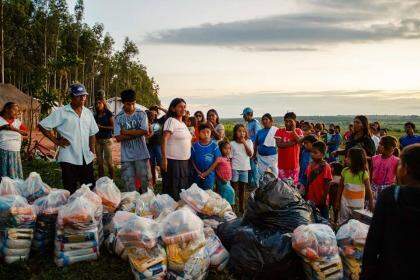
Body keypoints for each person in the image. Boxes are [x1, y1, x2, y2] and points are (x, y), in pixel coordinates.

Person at [361, 144, 420, 280]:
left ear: (405, 169)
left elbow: (373, 240)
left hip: (390, 269)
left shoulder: (391, 195)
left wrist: (366, 273)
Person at [39, 83, 98, 193]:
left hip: (86, 157)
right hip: (68, 157)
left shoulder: (88, 113)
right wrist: (55, 140)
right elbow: (42, 125)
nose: (82, 98)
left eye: (84, 95)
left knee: (90, 188)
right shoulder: (62, 112)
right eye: (79, 96)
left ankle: (87, 209)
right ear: (71, 97)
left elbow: (92, 133)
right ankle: (71, 209)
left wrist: (92, 151)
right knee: (70, 189)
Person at [114, 89, 151, 193]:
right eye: (128, 104)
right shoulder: (118, 117)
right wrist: (137, 132)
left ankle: (148, 204)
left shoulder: (141, 113)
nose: (131, 107)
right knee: (129, 183)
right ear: (123, 103)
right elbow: (118, 138)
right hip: (126, 157)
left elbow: (144, 131)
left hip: (141, 154)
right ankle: (132, 205)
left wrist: (125, 132)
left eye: (133, 104)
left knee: (145, 182)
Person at [161, 98, 192, 200]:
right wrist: (164, 158)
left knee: (181, 188)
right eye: (180, 106)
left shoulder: (182, 124)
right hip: (173, 162)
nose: (183, 109)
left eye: (184, 107)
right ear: (173, 109)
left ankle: (180, 212)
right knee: (173, 189)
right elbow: (164, 138)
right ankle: (170, 213)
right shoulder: (171, 121)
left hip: (184, 162)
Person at [335, 148, 374, 225]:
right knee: (343, 223)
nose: (346, 159)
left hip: (358, 206)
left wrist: (371, 203)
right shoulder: (345, 171)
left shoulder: (363, 174)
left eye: (348, 157)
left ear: (356, 160)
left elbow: (369, 190)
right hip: (345, 203)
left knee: (356, 225)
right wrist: (337, 200)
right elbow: (340, 187)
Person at [200, 140, 235, 205]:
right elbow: (212, 168)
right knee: (229, 193)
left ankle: (228, 209)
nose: (228, 150)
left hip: (228, 181)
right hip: (222, 181)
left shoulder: (227, 158)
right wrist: (204, 174)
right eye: (225, 148)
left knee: (226, 195)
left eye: (229, 148)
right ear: (220, 149)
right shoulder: (219, 159)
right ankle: (225, 209)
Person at [305, 141, 333, 219]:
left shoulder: (325, 166)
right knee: (313, 218)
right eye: (311, 152)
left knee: (324, 219)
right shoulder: (310, 165)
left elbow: (327, 183)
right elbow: (308, 180)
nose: (312, 154)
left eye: (315, 152)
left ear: (322, 154)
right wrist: (306, 193)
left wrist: (323, 199)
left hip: (321, 199)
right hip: (311, 197)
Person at [0, 102, 27, 179]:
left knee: (14, 174)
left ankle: (13, 188)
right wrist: (2, 128)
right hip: (2, 152)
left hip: (15, 152)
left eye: (18, 111)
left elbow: (25, 134)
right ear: (6, 109)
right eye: (14, 110)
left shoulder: (17, 122)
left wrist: (14, 129)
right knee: (3, 174)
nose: (17, 113)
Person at [190, 123, 221, 190]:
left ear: (211, 132)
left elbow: (217, 160)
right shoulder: (195, 146)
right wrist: (197, 171)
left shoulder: (214, 145)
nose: (206, 134)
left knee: (208, 193)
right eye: (203, 132)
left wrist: (207, 172)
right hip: (197, 174)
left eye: (208, 132)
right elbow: (192, 160)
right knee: (197, 192)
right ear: (199, 133)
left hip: (209, 175)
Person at [230, 124, 253, 212]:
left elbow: (250, 154)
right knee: (234, 189)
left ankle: (241, 207)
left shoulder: (249, 142)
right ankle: (233, 206)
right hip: (235, 168)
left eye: (243, 131)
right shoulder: (232, 144)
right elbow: (231, 157)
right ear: (235, 133)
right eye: (239, 131)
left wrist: (244, 143)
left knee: (242, 189)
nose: (242, 133)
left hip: (244, 169)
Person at [275, 112, 304, 184]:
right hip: (282, 166)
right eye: (286, 121)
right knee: (282, 188)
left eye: (290, 121)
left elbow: (300, 142)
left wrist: (293, 131)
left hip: (294, 165)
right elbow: (279, 145)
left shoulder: (298, 131)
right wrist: (294, 143)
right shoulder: (279, 131)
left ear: (295, 121)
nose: (288, 123)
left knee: (293, 188)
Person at [370, 136, 399, 202]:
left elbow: (398, 179)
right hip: (373, 187)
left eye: (381, 144)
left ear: (390, 147)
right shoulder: (374, 158)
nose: (378, 146)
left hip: (388, 189)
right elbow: (371, 174)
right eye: (379, 144)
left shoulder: (397, 161)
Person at [94, 96, 114, 179]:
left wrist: (101, 127)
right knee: (99, 162)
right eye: (96, 104)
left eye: (99, 103)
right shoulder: (95, 115)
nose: (97, 105)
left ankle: (112, 179)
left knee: (109, 161)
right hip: (98, 140)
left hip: (107, 140)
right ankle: (101, 180)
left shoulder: (108, 113)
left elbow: (113, 127)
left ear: (103, 103)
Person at [147, 105, 167, 187]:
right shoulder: (146, 121)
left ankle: (165, 181)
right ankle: (153, 182)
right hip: (149, 145)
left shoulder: (160, 121)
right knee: (151, 164)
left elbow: (169, 113)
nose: (154, 112)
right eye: (152, 111)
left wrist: (159, 107)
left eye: (155, 111)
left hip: (158, 145)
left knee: (161, 163)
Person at [254, 113, 278, 179]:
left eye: (266, 119)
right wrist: (254, 155)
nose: (264, 121)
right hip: (261, 157)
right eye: (263, 120)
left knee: (274, 175)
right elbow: (256, 144)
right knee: (262, 175)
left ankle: (275, 188)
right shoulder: (259, 132)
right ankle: (263, 188)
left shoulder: (276, 130)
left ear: (271, 121)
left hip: (272, 157)